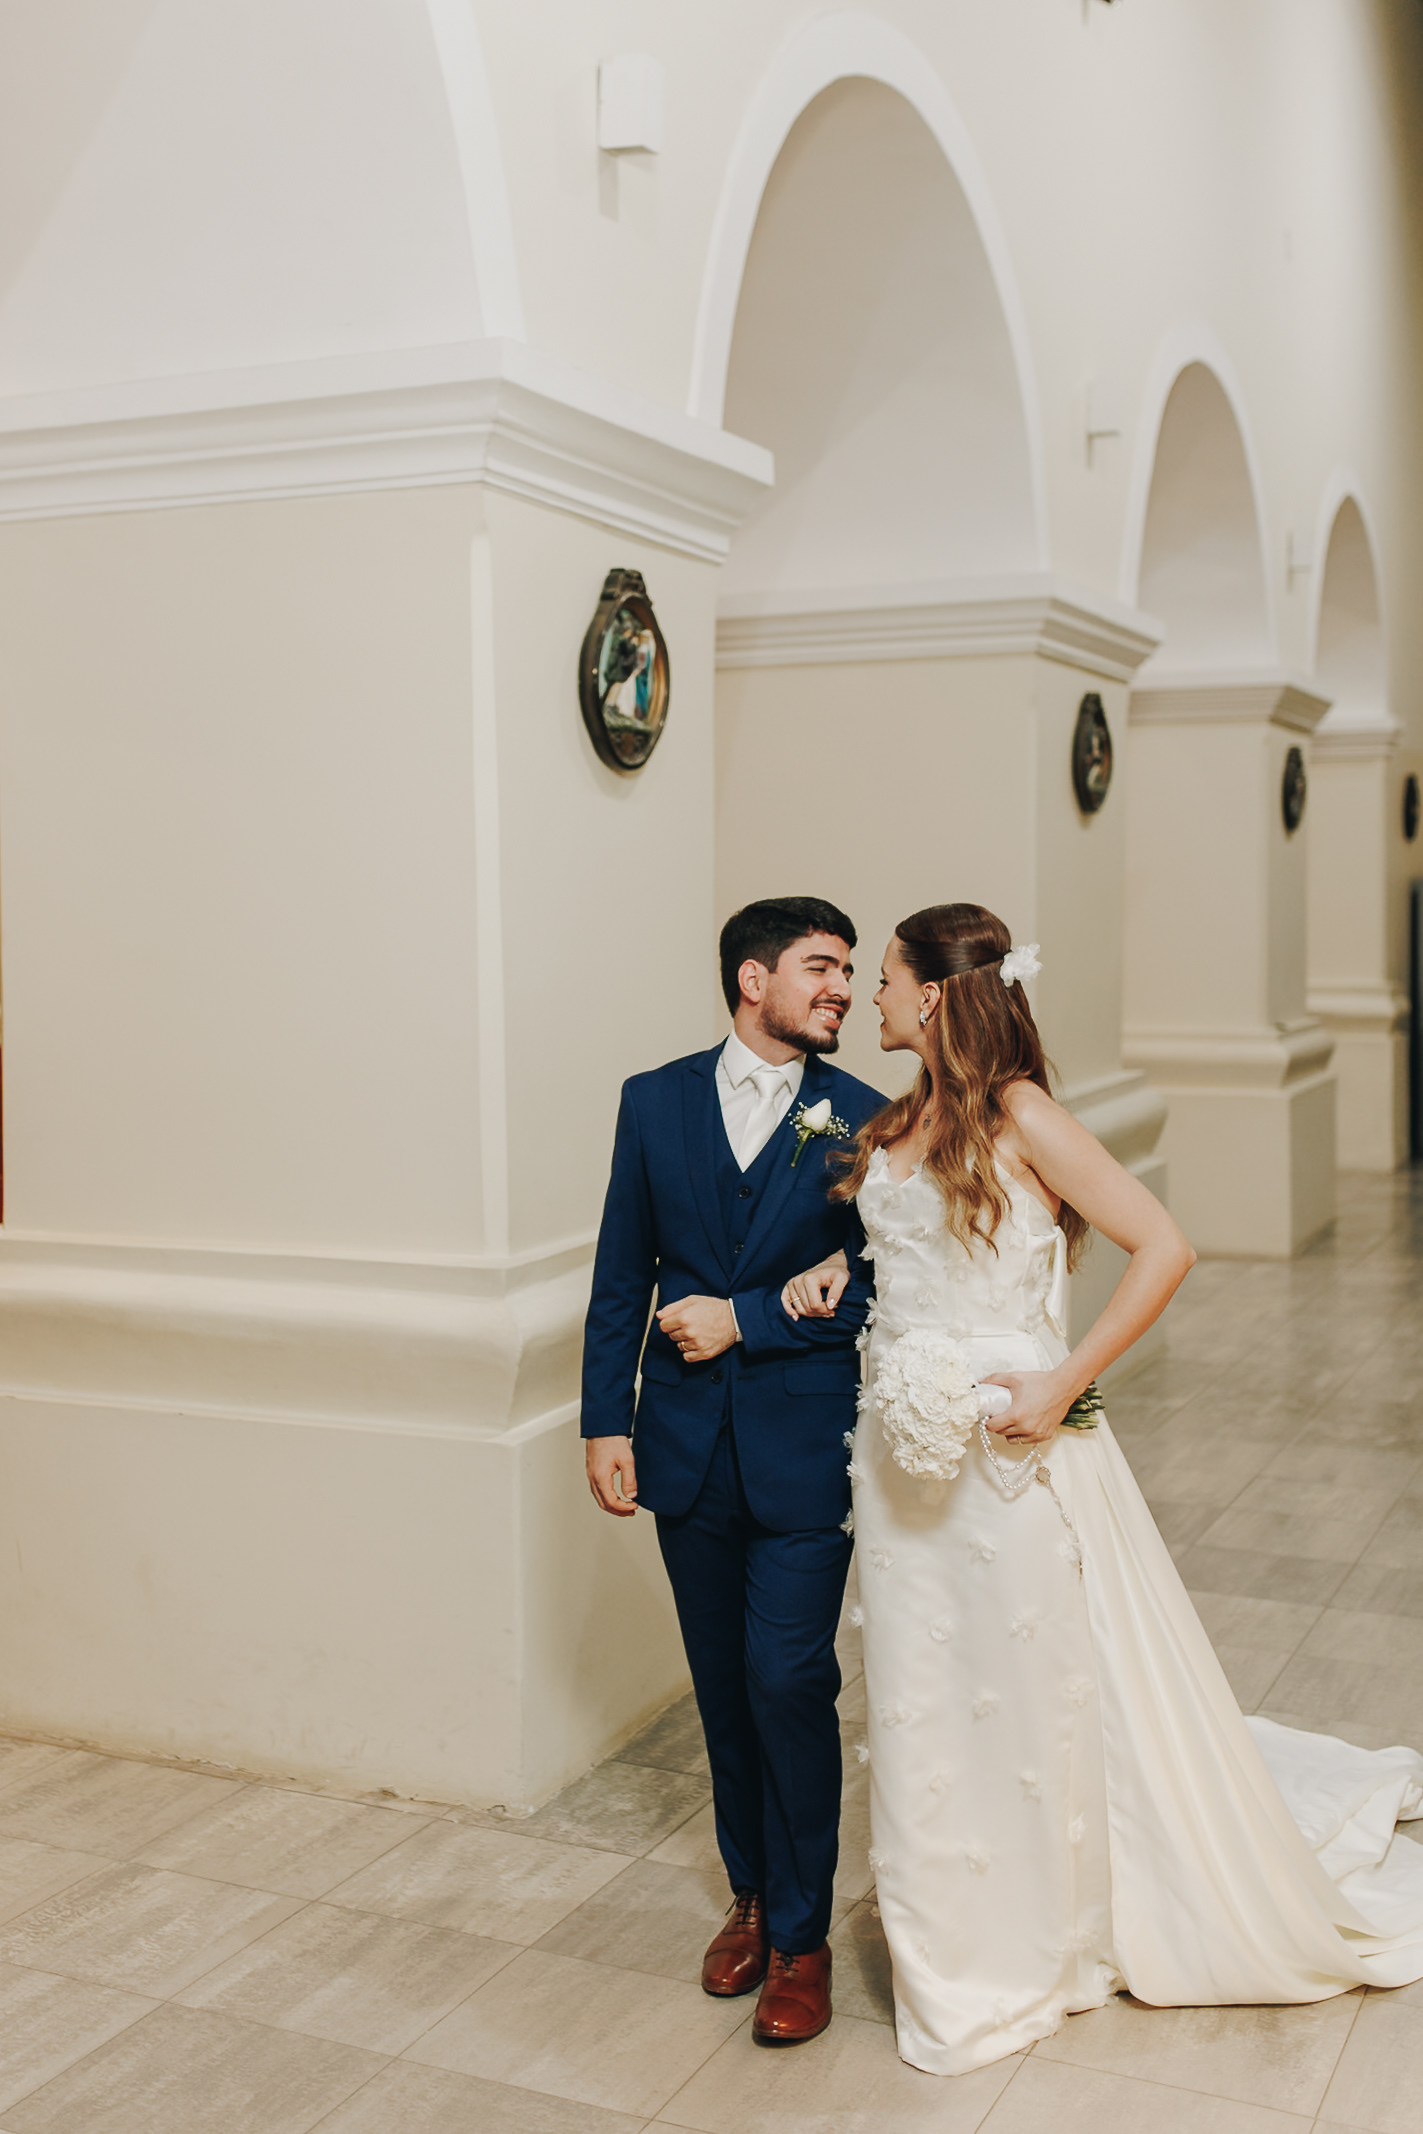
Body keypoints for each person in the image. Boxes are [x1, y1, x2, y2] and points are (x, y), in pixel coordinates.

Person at [783, 901, 1423, 2077]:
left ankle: (1036, 1927)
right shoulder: (899, 1118)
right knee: (926, 1694)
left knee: (1023, 1684)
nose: (871, 996)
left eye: (885, 978)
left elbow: (1163, 1244)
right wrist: (837, 1267)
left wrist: (1061, 1380)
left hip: (1007, 1450)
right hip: (901, 1453)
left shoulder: (1022, 1114)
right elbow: (907, 1251)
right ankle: (950, 1916)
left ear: (932, 993)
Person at [581, 896, 884, 2045]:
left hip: (806, 1447)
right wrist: (604, 1421)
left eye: (849, 969)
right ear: (753, 979)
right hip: (682, 1444)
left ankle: (802, 1938)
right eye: (821, 966)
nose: (842, 987)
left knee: (787, 1678)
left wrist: (746, 1317)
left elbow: (885, 1285)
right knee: (720, 1683)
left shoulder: (867, 1119)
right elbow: (622, 1270)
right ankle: (750, 1896)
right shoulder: (651, 1101)